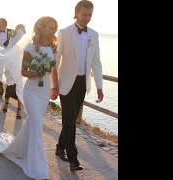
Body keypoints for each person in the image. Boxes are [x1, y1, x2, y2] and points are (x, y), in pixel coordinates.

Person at [0, 16, 59, 180]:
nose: (53, 31)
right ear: (41, 28)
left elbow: (54, 70)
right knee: (36, 122)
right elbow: (23, 72)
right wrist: (36, 73)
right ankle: (38, 166)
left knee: (33, 124)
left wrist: (55, 87)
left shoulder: (53, 48)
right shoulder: (30, 47)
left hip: (43, 94)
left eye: (55, 29)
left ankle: (20, 150)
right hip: (31, 92)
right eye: (51, 28)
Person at [55, 0, 104, 171]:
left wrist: (99, 86)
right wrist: (52, 84)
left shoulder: (94, 35)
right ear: (76, 13)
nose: (87, 18)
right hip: (66, 82)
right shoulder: (64, 32)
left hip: (82, 83)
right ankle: (73, 159)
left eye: (90, 15)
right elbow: (56, 59)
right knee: (70, 121)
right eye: (84, 14)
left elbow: (96, 62)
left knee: (70, 119)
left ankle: (60, 147)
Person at [2, 24, 26, 119]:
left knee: (20, 89)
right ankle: (6, 104)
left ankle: (18, 111)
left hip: (21, 68)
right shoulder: (12, 40)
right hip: (12, 67)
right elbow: (7, 51)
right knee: (10, 87)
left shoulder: (26, 42)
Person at [0, 18, 13, 99]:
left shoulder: (12, 32)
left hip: (9, 56)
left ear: (5, 24)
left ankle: (9, 93)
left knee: (9, 74)